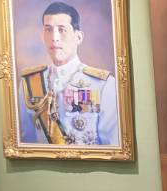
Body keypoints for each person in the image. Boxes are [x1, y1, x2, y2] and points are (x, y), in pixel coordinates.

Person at [17, 2, 120, 148]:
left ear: (78, 37)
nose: (54, 38)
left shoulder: (103, 84)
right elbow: (27, 144)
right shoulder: (29, 83)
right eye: (48, 29)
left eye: (62, 30)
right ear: (42, 35)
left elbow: (112, 147)